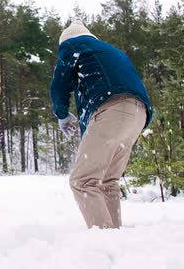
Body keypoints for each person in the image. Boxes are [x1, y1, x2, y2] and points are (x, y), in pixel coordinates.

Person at [50, 20, 152, 229]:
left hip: (113, 109)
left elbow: (59, 84)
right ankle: (115, 238)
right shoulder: (108, 52)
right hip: (138, 114)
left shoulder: (73, 45)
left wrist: (62, 114)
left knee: (83, 181)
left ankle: (105, 244)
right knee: (107, 182)